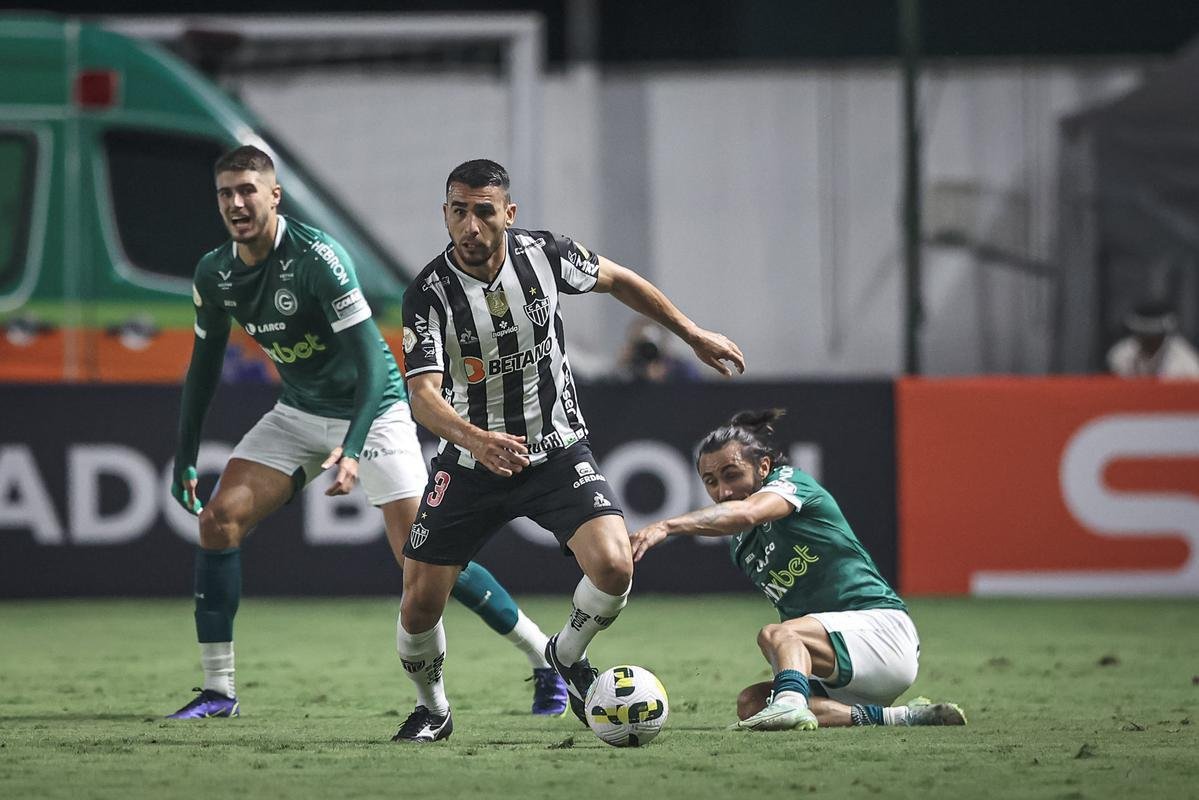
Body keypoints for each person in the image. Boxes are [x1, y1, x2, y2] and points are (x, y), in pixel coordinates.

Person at [166, 145, 568, 721]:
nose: (236, 202)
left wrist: (352, 449)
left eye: (247, 190)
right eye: (226, 193)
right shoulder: (216, 270)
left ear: (273, 196)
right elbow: (203, 367)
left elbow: (377, 365)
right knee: (218, 521)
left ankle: (543, 657)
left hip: (375, 410)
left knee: (424, 560)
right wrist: (184, 456)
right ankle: (218, 691)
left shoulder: (319, 258)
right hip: (300, 411)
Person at [392, 158, 745, 742]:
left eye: (484, 211)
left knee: (614, 565)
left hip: (555, 450)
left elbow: (620, 279)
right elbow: (424, 397)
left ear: (509, 212)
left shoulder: (545, 256)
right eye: (459, 211)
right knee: (418, 604)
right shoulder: (427, 295)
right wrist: (478, 440)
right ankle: (434, 708)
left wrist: (692, 332)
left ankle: (565, 653)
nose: (471, 226)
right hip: (468, 462)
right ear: (446, 214)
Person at [630, 409, 966, 732]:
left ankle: (791, 705)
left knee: (778, 634)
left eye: (731, 475)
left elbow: (748, 513)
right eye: (710, 482)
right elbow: (740, 522)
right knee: (752, 703)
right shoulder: (741, 546)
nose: (722, 492)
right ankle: (897, 716)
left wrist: (667, 526)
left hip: (882, 632)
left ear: (763, 466)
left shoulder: (792, 482)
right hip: (838, 660)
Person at [1106, 300, 1199, 379]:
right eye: (1142, 335)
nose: (1146, 341)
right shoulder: (1120, 355)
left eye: (1153, 337)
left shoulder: (1186, 365)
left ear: (1163, 336)